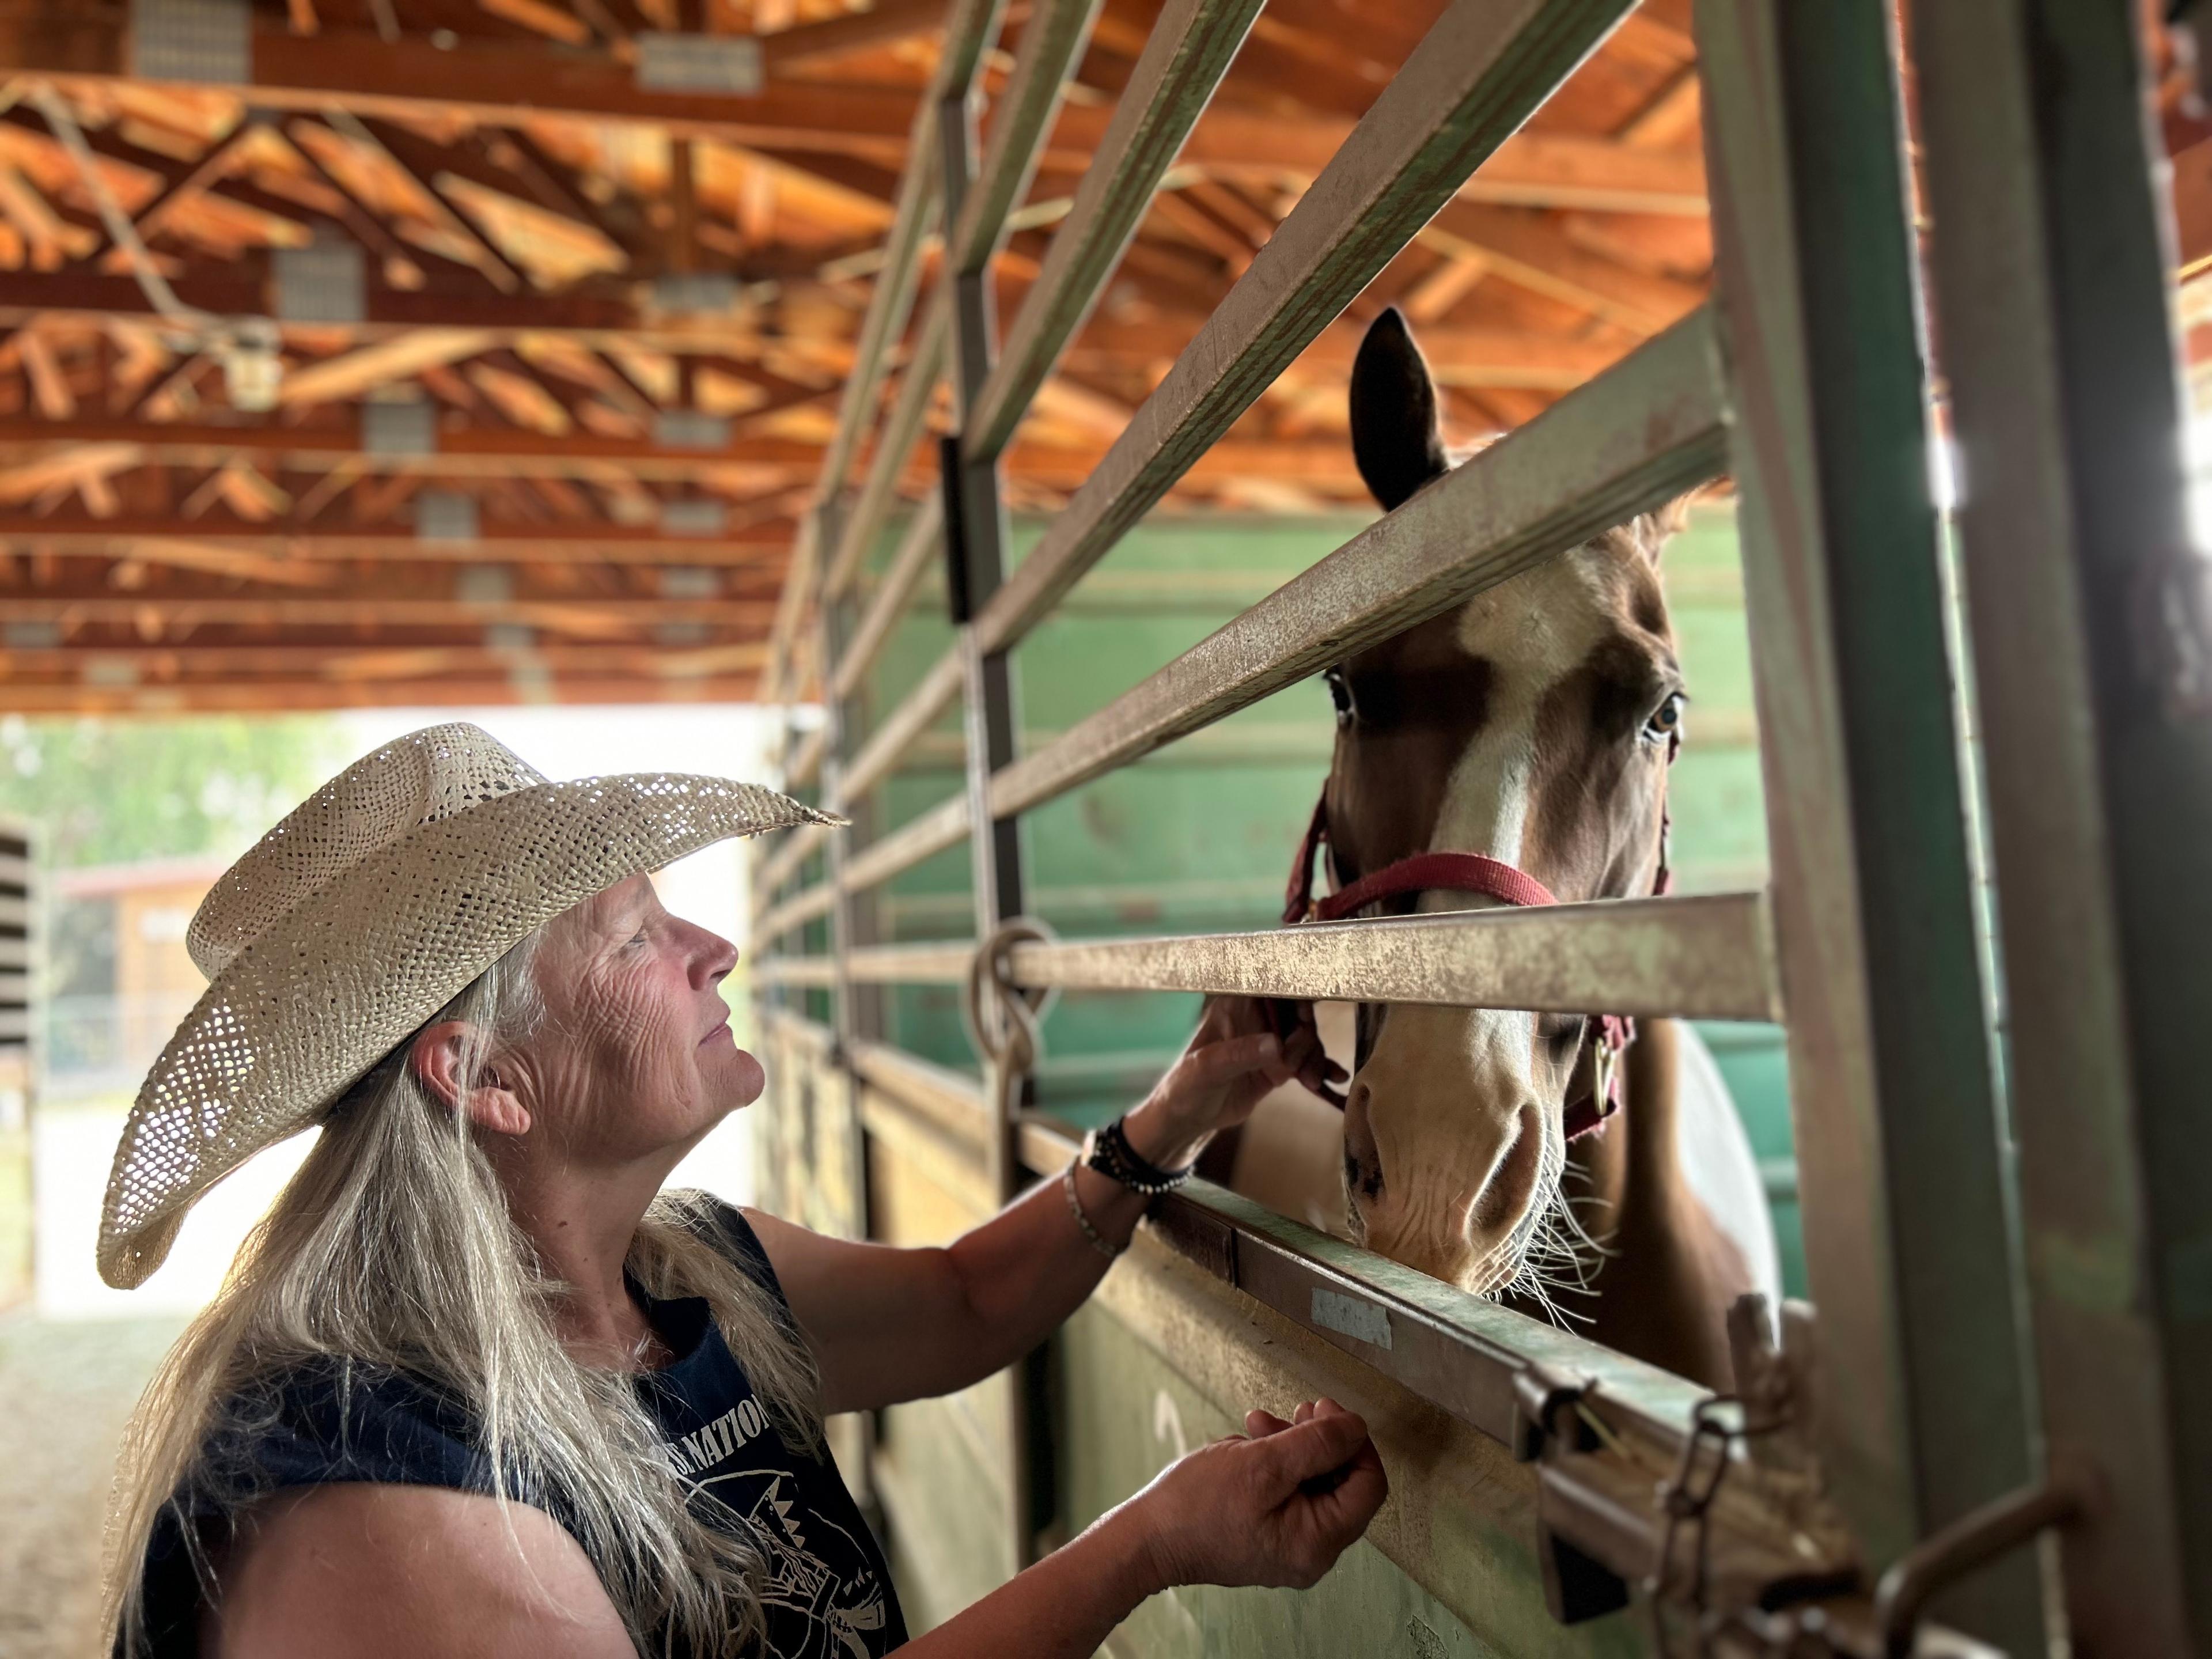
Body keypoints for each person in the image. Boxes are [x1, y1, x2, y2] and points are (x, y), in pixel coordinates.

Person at [97, 724, 1387, 1659]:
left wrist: (1183, 1112)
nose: (717, 951)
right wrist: (1145, 1548)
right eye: (636, 937)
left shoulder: (680, 1271)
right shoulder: (376, 1487)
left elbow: (967, 1301)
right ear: (487, 1078)